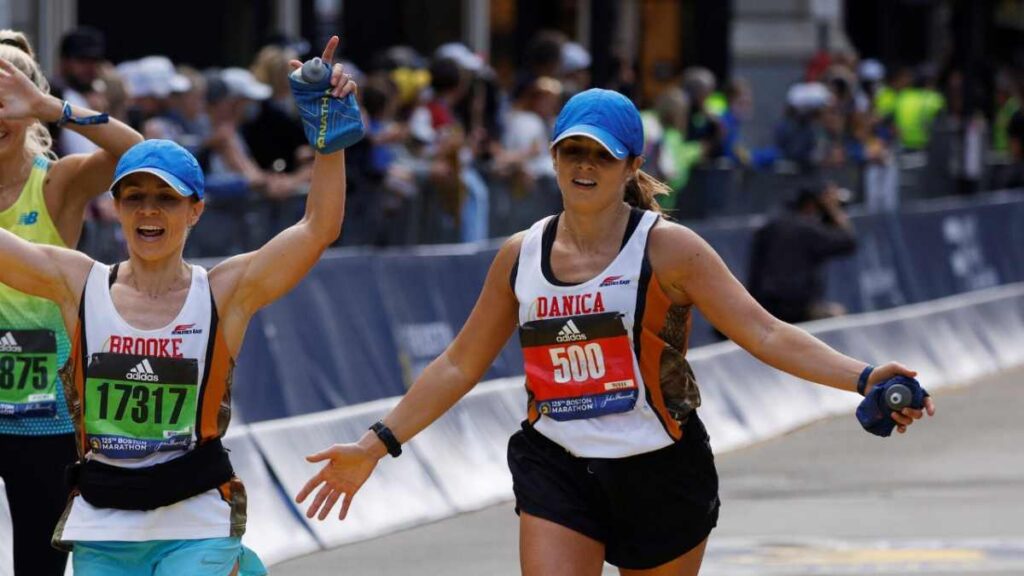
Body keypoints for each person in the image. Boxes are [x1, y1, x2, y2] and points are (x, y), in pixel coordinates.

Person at [296, 88, 936, 575]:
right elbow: (459, 364)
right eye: (573, 150)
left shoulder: (671, 250)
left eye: (601, 155)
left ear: (631, 164)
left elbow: (764, 333)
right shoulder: (520, 254)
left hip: (661, 471)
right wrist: (375, 446)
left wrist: (861, 377)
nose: (585, 166)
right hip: (559, 465)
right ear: (553, 157)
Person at [0, 35, 357, 575]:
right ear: (116, 208)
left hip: (195, 521)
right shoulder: (78, 283)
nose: (149, 212)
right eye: (135, 197)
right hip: (103, 526)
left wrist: (328, 135)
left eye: (166, 198)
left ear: (195, 211)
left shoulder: (222, 292)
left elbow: (318, 227)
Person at [0, 29, 142, 575]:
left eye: (8, 103)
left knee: (38, 565)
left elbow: (141, 155)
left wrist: (54, 107)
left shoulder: (57, 182)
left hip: (46, 416)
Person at [748, 181, 858, 324]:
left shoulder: (771, 225)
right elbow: (848, 241)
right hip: (794, 310)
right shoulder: (807, 229)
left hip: (762, 307)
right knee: (837, 316)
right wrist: (833, 209)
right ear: (812, 205)